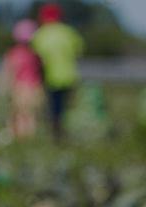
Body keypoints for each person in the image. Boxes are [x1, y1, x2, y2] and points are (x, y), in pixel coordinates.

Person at [31, 3, 83, 141]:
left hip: (50, 77)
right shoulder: (69, 32)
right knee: (65, 107)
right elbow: (78, 52)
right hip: (69, 75)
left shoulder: (40, 34)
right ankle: (63, 131)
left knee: (53, 107)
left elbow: (36, 57)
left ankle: (56, 131)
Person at [0, 19, 43, 139]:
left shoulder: (13, 53)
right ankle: (29, 137)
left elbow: (7, 72)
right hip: (33, 87)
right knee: (30, 115)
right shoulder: (35, 53)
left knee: (19, 114)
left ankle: (21, 137)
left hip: (19, 87)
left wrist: (2, 87)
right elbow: (40, 71)